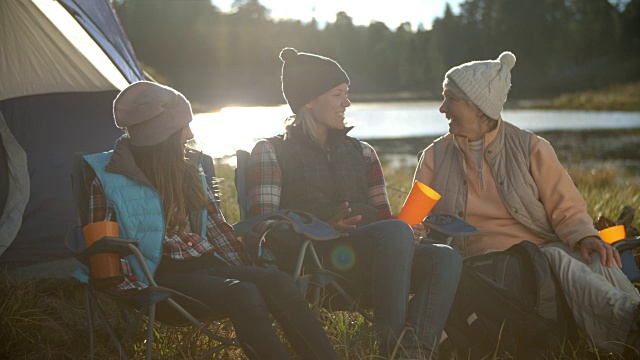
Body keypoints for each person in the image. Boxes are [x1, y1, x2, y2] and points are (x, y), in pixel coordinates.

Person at [82, 81, 338, 360]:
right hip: (159, 278)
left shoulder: (188, 170)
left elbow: (217, 231)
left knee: (277, 282)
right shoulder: (108, 177)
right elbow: (104, 243)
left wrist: (248, 267)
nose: (190, 134)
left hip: (207, 267)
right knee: (242, 293)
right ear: (163, 135)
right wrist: (135, 290)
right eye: (184, 126)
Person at [411, 51, 640, 355]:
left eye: (450, 99)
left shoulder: (531, 148)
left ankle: (632, 318)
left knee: (597, 257)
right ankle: (627, 326)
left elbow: (567, 209)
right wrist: (412, 233)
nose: (442, 108)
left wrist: (586, 236)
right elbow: (410, 221)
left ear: (479, 106)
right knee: (556, 260)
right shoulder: (434, 157)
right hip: (482, 266)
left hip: (538, 255)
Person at [247, 47, 462, 359]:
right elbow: (264, 229)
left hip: (376, 264)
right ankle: (391, 348)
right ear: (308, 100)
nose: (347, 103)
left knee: (445, 257)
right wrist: (322, 228)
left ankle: (412, 352)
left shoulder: (363, 153)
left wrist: (408, 231)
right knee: (394, 234)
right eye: (338, 94)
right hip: (316, 266)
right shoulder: (270, 152)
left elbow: (388, 223)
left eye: (346, 94)